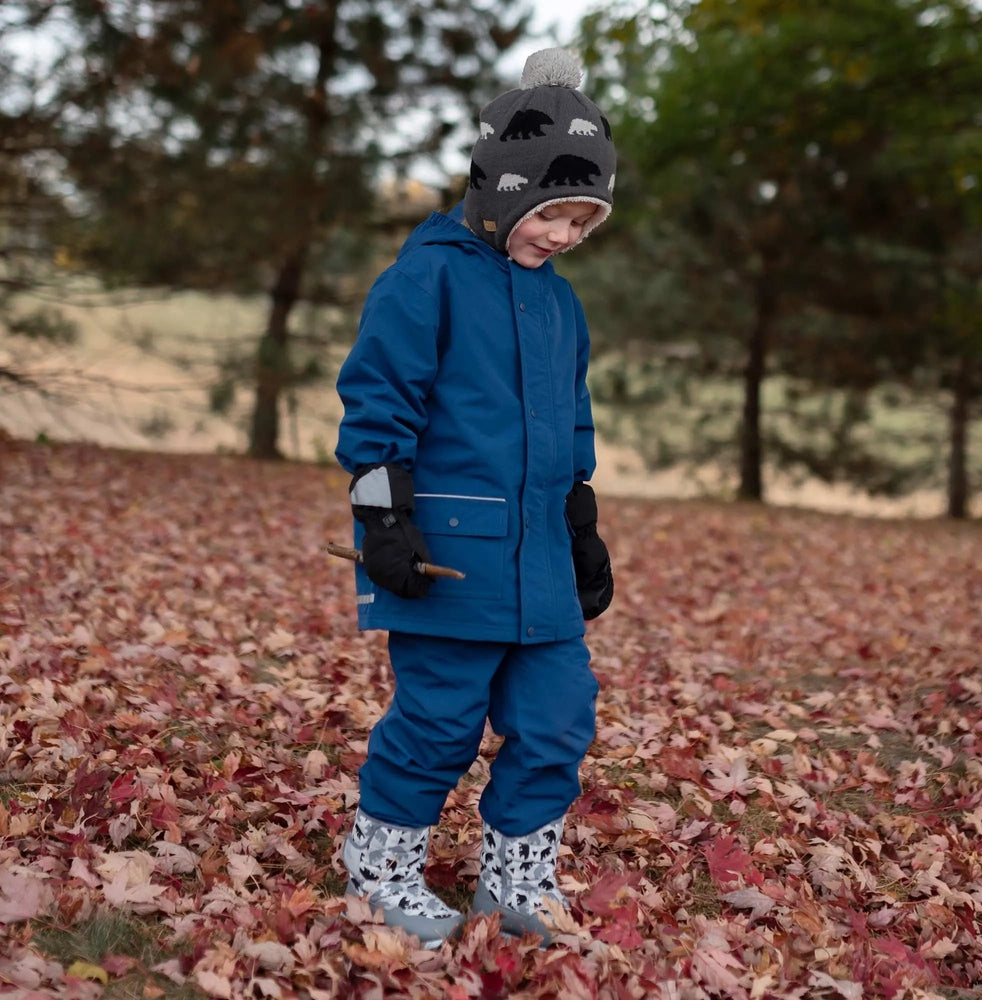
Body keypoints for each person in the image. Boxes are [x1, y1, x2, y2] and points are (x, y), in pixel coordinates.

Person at [334, 47, 616, 948]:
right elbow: (379, 401)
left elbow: (571, 419)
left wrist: (580, 522)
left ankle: (516, 876)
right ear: (501, 191)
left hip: (539, 562)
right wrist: (385, 518)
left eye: (583, 221)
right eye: (552, 213)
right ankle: (380, 868)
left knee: (558, 719)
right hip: (448, 553)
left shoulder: (561, 304)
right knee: (440, 719)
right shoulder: (428, 279)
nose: (565, 236)